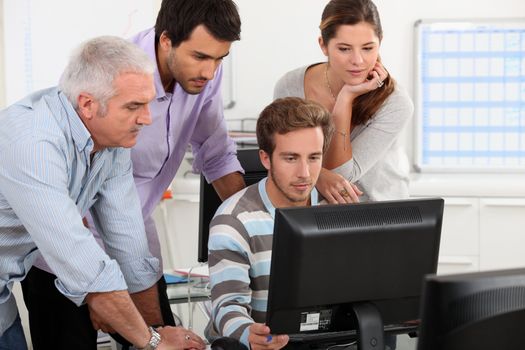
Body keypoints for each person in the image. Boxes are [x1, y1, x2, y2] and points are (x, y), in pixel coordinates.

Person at [22, 0, 245, 348]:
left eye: (220, 59)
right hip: (63, 254)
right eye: (201, 57)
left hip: (132, 239)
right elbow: (67, 203)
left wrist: (254, 232)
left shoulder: (201, 79)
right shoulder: (112, 76)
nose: (211, 71)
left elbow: (217, 156)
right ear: (166, 40)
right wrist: (97, 291)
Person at [0, 36, 206, 350]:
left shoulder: (111, 143)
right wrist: (154, 343)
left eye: (148, 103)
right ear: (87, 104)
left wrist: (158, 330)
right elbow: (86, 269)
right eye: (134, 106)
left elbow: (130, 249)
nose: (146, 118)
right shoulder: (34, 144)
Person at [206, 97, 334, 350]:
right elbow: (227, 305)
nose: (305, 173)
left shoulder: (336, 208)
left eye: (313, 158)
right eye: (291, 158)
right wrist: (248, 334)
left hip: (327, 341)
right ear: (265, 158)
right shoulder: (232, 221)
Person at [274, 0, 414, 204]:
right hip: (314, 214)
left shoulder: (395, 103)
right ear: (323, 45)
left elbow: (344, 175)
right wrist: (319, 175)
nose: (358, 60)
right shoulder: (290, 87)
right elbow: (281, 156)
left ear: (380, 42)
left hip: (381, 213)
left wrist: (346, 97)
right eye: (344, 49)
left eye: (367, 48)